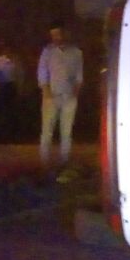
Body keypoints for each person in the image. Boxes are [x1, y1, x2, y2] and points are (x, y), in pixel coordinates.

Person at [37, 21, 83, 168]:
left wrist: (75, 93)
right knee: (47, 131)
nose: (56, 37)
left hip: (68, 96)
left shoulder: (76, 52)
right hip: (51, 95)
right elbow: (42, 72)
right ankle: (44, 163)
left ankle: (65, 162)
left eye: (58, 33)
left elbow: (79, 75)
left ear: (64, 33)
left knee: (66, 132)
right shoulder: (48, 51)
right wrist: (46, 91)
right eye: (53, 34)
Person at [0, 42, 21, 141]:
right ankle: (2, 135)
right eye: (5, 49)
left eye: (9, 49)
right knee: (3, 111)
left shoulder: (15, 60)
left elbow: (19, 74)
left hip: (11, 86)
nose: (7, 51)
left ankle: (12, 134)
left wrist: (19, 86)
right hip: (2, 86)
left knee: (12, 110)